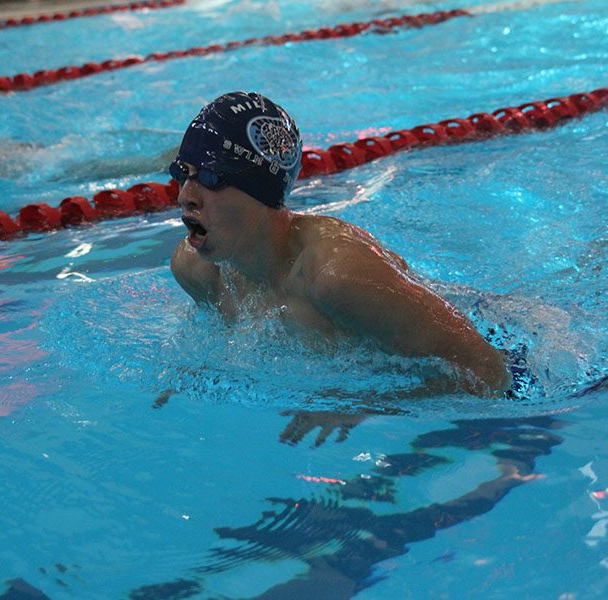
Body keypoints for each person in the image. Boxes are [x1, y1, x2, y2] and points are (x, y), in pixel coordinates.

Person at [169, 91, 510, 396]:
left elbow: (489, 373)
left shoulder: (336, 275)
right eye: (182, 173)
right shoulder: (197, 271)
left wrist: (363, 404)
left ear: (260, 191)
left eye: (210, 179)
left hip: (505, 342)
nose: (186, 196)